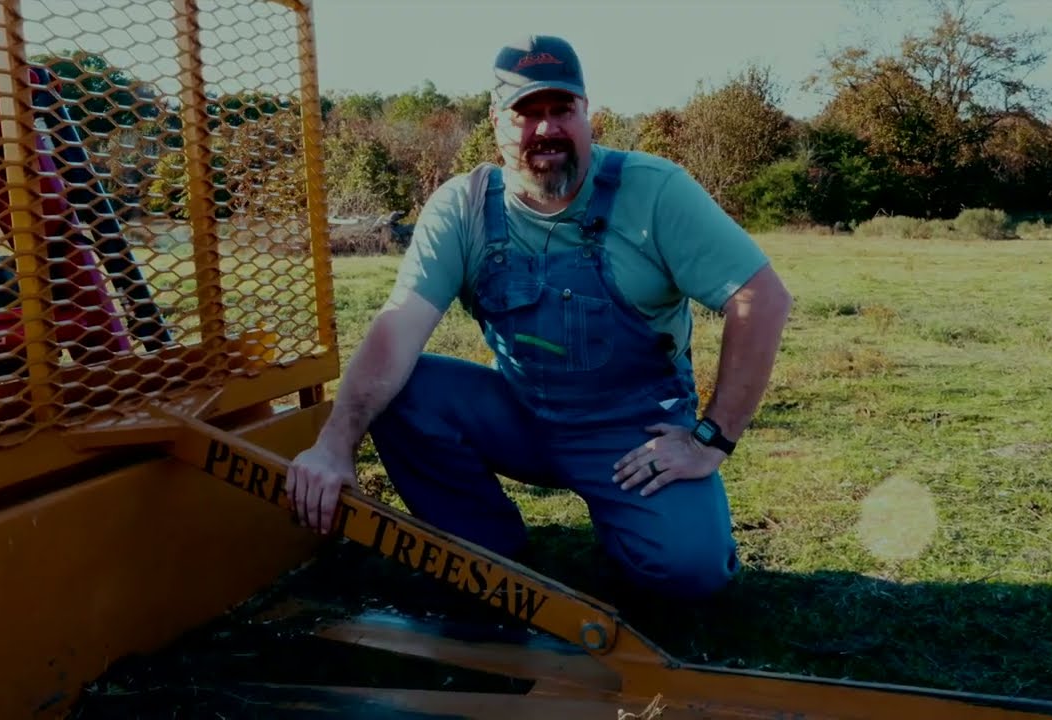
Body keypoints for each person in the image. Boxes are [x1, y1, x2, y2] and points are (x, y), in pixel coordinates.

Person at [287, 35, 792, 600]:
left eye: (561, 110)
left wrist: (708, 440)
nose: (545, 128)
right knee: (404, 389)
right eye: (525, 113)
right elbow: (398, 324)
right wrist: (334, 444)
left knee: (691, 572)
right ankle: (486, 553)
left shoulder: (655, 191)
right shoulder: (463, 208)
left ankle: (638, 523)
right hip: (523, 417)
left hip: (631, 436)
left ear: (587, 113)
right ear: (495, 122)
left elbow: (761, 299)